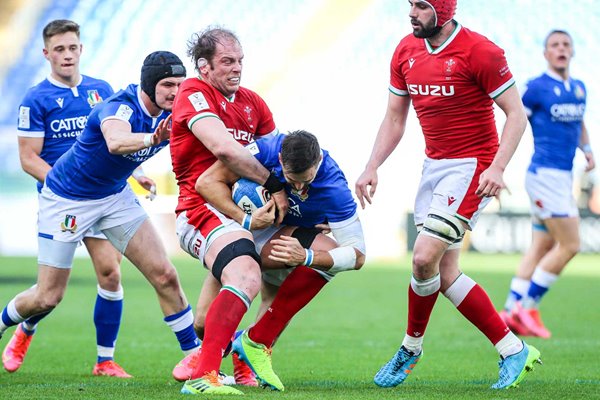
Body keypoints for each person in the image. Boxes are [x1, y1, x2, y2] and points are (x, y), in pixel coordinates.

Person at [355, 0, 541, 390]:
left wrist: (498, 167)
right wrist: (372, 166)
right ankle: (512, 349)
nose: (412, 12)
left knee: (423, 257)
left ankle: (410, 347)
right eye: (410, 5)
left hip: (473, 165)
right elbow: (394, 117)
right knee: (442, 272)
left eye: (421, 6)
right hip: (434, 166)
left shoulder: (480, 51)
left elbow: (517, 115)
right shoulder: (405, 51)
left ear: (443, 8)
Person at [0, 50, 202, 377]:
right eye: (167, 84)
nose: (176, 92)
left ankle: (195, 358)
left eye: (181, 84)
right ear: (149, 85)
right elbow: (115, 140)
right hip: (67, 200)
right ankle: (7, 325)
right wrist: (152, 138)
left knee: (163, 274)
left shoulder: (176, 111)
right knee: (47, 296)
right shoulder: (120, 106)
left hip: (114, 195)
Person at [5, 19, 154, 378]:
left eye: (72, 47)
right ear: (46, 54)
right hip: (63, 204)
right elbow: (29, 158)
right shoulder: (36, 99)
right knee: (49, 293)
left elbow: (112, 144)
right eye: (59, 49)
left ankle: (105, 361)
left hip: (102, 198)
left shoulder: (102, 91)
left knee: (110, 273)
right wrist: (64, 184)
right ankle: (25, 328)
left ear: (81, 49)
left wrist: (134, 173)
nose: (67, 55)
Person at [182, 130, 366, 389]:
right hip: (230, 228)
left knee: (326, 256)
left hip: (278, 238)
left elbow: (357, 255)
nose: (300, 188)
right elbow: (206, 183)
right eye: (293, 180)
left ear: (319, 161)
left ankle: (251, 345)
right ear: (280, 160)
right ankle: (212, 356)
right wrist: (246, 218)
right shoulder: (265, 150)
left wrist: (307, 256)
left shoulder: (334, 187)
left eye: (307, 180)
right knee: (202, 324)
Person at [169, 26, 288, 396]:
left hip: (240, 221)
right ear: (204, 67)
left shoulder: (253, 102)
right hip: (199, 210)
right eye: (227, 62)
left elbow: (278, 156)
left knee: (207, 322)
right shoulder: (194, 93)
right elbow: (225, 150)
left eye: (240, 61)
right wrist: (274, 184)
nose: (237, 68)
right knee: (248, 275)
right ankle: (204, 378)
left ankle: (238, 350)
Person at [499, 30, 594, 338]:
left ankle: (509, 310)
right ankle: (527, 308)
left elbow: (579, 122)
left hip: (562, 177)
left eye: (566, 44)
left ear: (572, 51)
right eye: (555, 45)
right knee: (571, 244)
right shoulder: (536, 88)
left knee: (541, 245)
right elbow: (514, 119)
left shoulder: (578, 89)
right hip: (544, 176)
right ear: (545, 53)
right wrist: (497, 165)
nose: (561, 49)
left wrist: (588, 150)